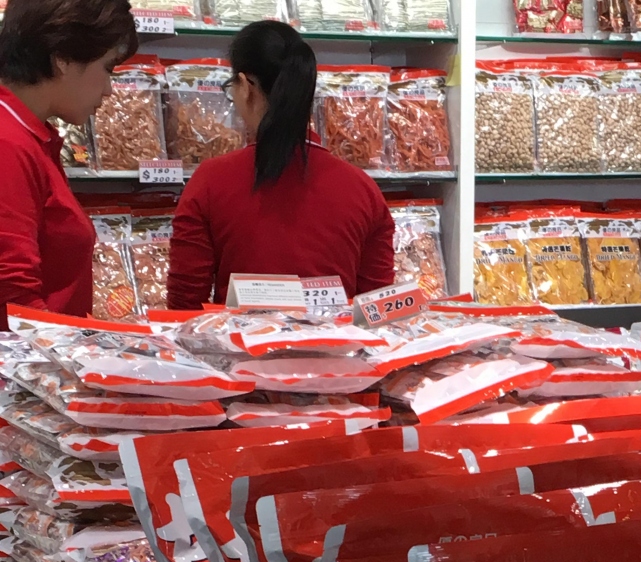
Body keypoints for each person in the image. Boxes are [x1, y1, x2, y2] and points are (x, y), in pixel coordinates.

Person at [168, 22, 396, 308]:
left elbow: (185, 306)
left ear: (245, 86)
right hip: (337, 338)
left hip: (237, 338)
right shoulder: (363, 190)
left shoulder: (210, 182)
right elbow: (377, 309)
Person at [0, 0, 137, 328]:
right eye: (108, 68)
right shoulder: (8, 143)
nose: (109, 90)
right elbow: (12, 299)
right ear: (62, 58)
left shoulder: (29, 136)